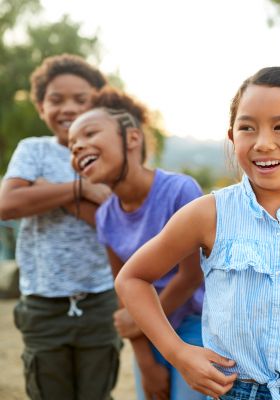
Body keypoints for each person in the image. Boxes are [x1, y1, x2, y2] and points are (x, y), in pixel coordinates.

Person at [113, 66, 280, 400]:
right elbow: (132, 279)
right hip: (233, 391)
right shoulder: (208, 214)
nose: (263, 143)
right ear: (232, 136)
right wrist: (178, 353)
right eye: (247, 128)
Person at [68, 87, 206, 400]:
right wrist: (144, 361)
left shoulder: (179, 191)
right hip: (148, 329)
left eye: (89, 133)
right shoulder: (105, 217)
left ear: (132, 138)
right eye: (72, 146)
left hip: (195, 325)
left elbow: (192, 276)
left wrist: (139, 322)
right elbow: (124, 291)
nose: (78, 147)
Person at [0, 54, 120, 399]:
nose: (68, 108)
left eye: (81, 100)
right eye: (56, 99)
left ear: (99, 105)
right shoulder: (32, 150)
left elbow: (112, 223)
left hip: (100, 300)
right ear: (40, 106)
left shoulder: (108, 154)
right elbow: (8, 206)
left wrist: (40, 191)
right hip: (42, 303)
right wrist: (78, 189)